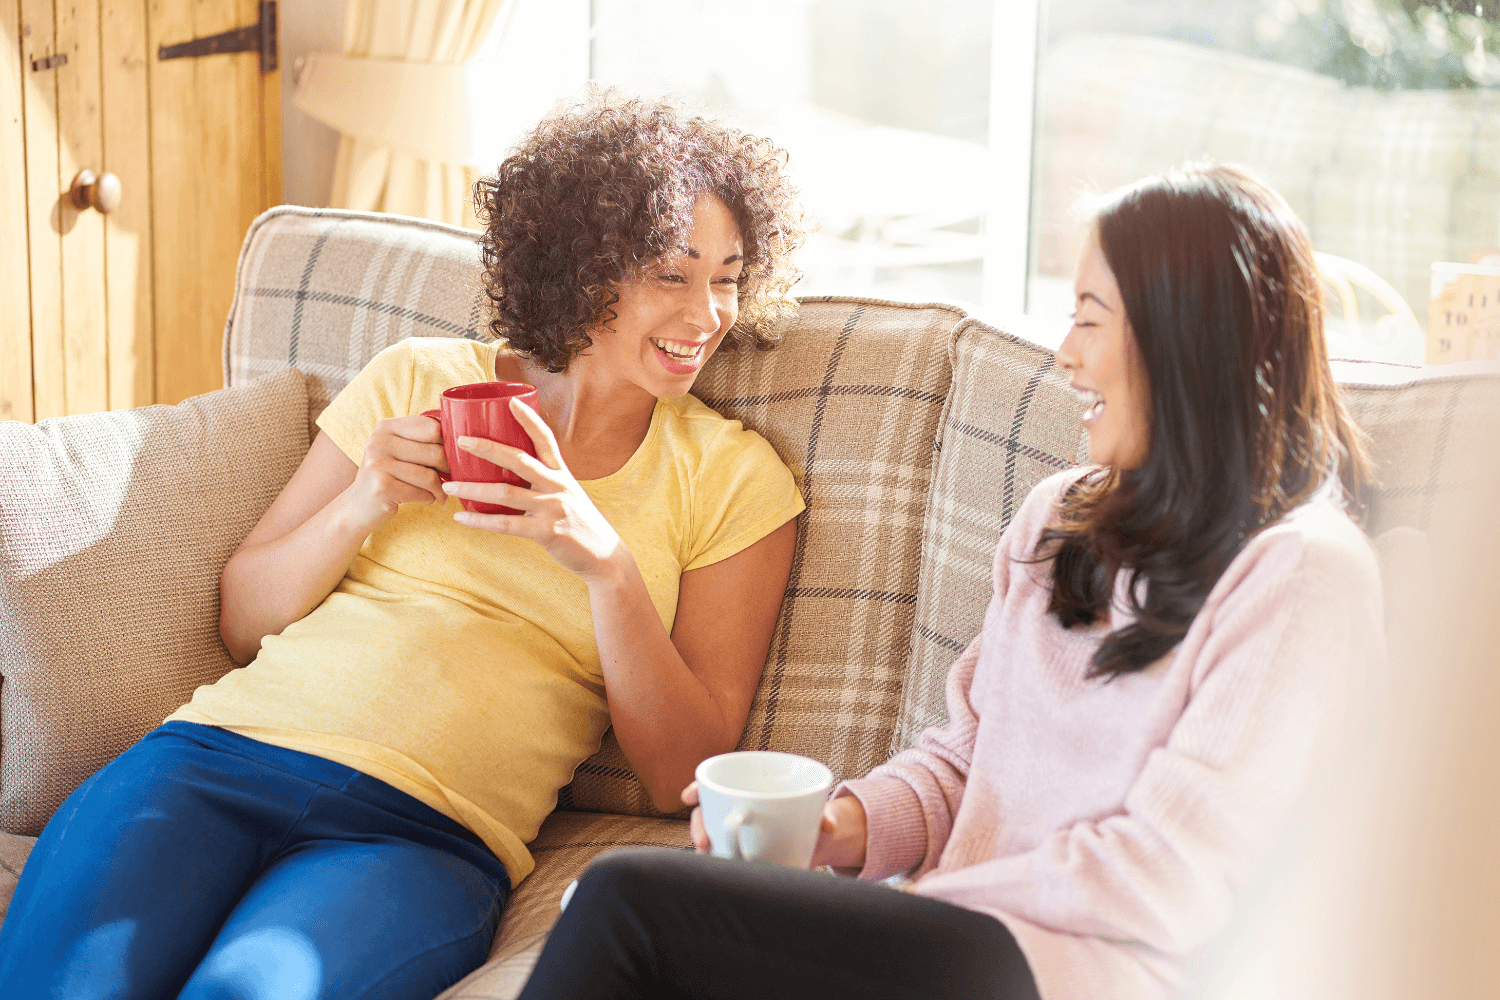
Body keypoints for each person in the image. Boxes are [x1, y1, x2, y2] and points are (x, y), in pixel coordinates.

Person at [0, 91, 807, 1000]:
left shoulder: (734, 478)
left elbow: (682, 777)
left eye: (729, 277)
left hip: (422, 835)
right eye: (673, 274)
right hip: (211, 761)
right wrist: (362, 500)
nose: (709, 314)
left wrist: (606, 567)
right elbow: (241, 619)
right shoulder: (420, 377)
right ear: (583, 269)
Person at [513, 163, 1386, 1000]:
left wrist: (909, 908)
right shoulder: (1060, 518)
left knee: (632, 907)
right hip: (959, 952)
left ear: (1182, 334)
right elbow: (966, 763)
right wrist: (831, 833)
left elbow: (1170, 876)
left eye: (1089, 317)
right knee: (630, 929)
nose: (1066, 356)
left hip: (1087, 976)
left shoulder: (1302, 570)